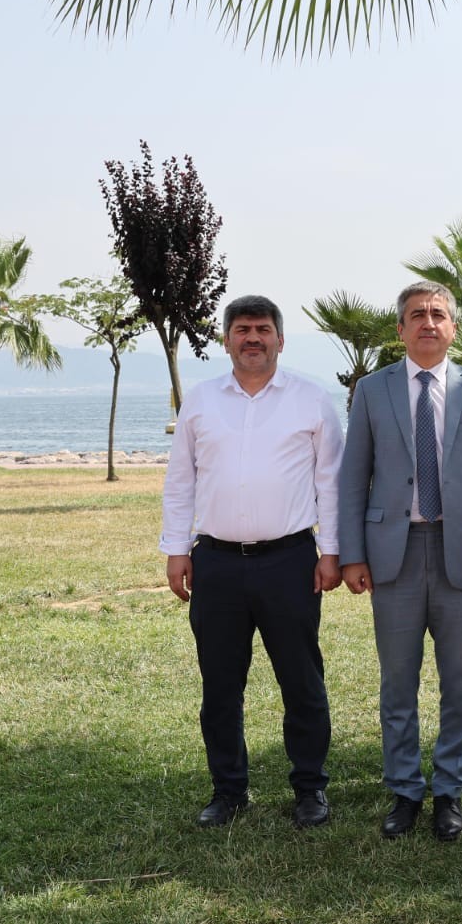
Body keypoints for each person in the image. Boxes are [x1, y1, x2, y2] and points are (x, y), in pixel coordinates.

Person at [160, 295, 344, 829]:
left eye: (263, 329)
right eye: (242, 329)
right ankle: (228, 791)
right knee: (220, 686)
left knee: (301, 682)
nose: (253, 338)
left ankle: (310, 788)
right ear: (226, 341)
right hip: (215, 564)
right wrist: (177, 550)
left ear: (280, 339)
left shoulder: (311, 400)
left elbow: (331, 483)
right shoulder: (200, 401)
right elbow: (181, 480)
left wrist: (331, 552)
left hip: (290, 561)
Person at [338, 281, 462, 841]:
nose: (428, 322)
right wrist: (351, 554)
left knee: (460, 682)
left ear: (453, 328)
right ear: (401, 329)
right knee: (398, 682)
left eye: (438, 314)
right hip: (394, 554)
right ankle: (405, 790)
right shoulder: (371, 391)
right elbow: (353, 477)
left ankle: (450, 790)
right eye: (417, 314)